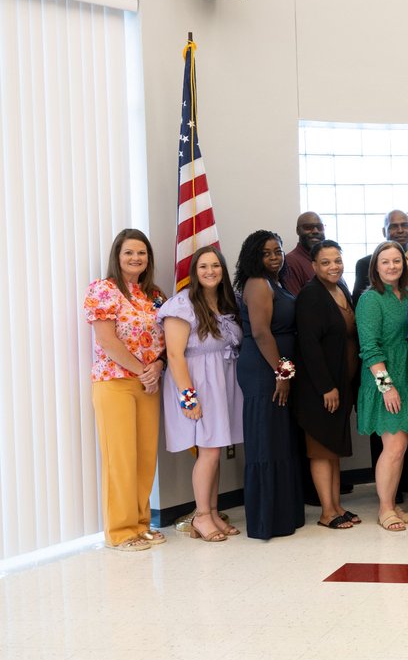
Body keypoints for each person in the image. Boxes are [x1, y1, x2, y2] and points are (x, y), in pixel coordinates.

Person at [83, 229, 168, 552]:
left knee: (145, 457)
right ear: (117, 257)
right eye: (129, 253)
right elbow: (107, 341)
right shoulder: (103, 290)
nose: (136, 258)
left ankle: (141, 524)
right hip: (114, 382)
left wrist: (156, 367)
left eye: (142, 253)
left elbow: (165, 340)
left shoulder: (154, 295)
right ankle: (120, 532)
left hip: (148, 382)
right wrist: (142, 370)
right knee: (120, 457)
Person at [159, 246, 244, 542]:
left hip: (222, 382)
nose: (210, 272)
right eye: (204, 267)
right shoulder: (182, 305)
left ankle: (214, 512)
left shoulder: (225, 302)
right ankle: (201, 516)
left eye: (216, 266)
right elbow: (174, 354)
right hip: (197, 384)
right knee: (208, 450)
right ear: (194, 272)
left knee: (215, 449)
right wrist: (188, 397)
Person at [234, 230, 306, 540]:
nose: (275, 257)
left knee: (280, 441)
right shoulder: (257, 283)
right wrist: (282, 374)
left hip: (278, 367)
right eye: (267, 253)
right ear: (254, 256)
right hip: (264, 371)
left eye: (277, 251)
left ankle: (285, 513)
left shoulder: (276, 282)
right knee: (265, 441)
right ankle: (267, 521)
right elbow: (263, 333)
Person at [354, 240, 408, 532]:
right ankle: (384, 509)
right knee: (393, 446)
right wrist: (386, 386)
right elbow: (369, 347)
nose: (392, 266)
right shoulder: (370, 299)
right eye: (385, 262)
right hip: (386, 378)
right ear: (375, 267)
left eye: (396, 261)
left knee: (401, 446)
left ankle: (392, 504)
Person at [293, 240, 359, 529]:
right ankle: (326, 513)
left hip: (341, 383)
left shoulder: (340, 288)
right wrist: (325, 387)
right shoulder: (311, 296)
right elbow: (309, 346)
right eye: (326, 262)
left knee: (332, 448)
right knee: (321, 448)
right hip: (319, 389)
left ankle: (336, 506)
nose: (334, 266)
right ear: (314, 266)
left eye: (337, 260)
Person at [352, 210, 408, 305]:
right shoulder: (365, 264)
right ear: (384, 232)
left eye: (405, 225)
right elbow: (358, 302)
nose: (400, 230)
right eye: (393, 227)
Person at [281, 211, 325, 296]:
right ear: (298, 230)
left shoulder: (328, 259)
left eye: (320, 227)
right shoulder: (290, 262)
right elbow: (297, 303)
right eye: (308, 227)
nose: (315, 231)